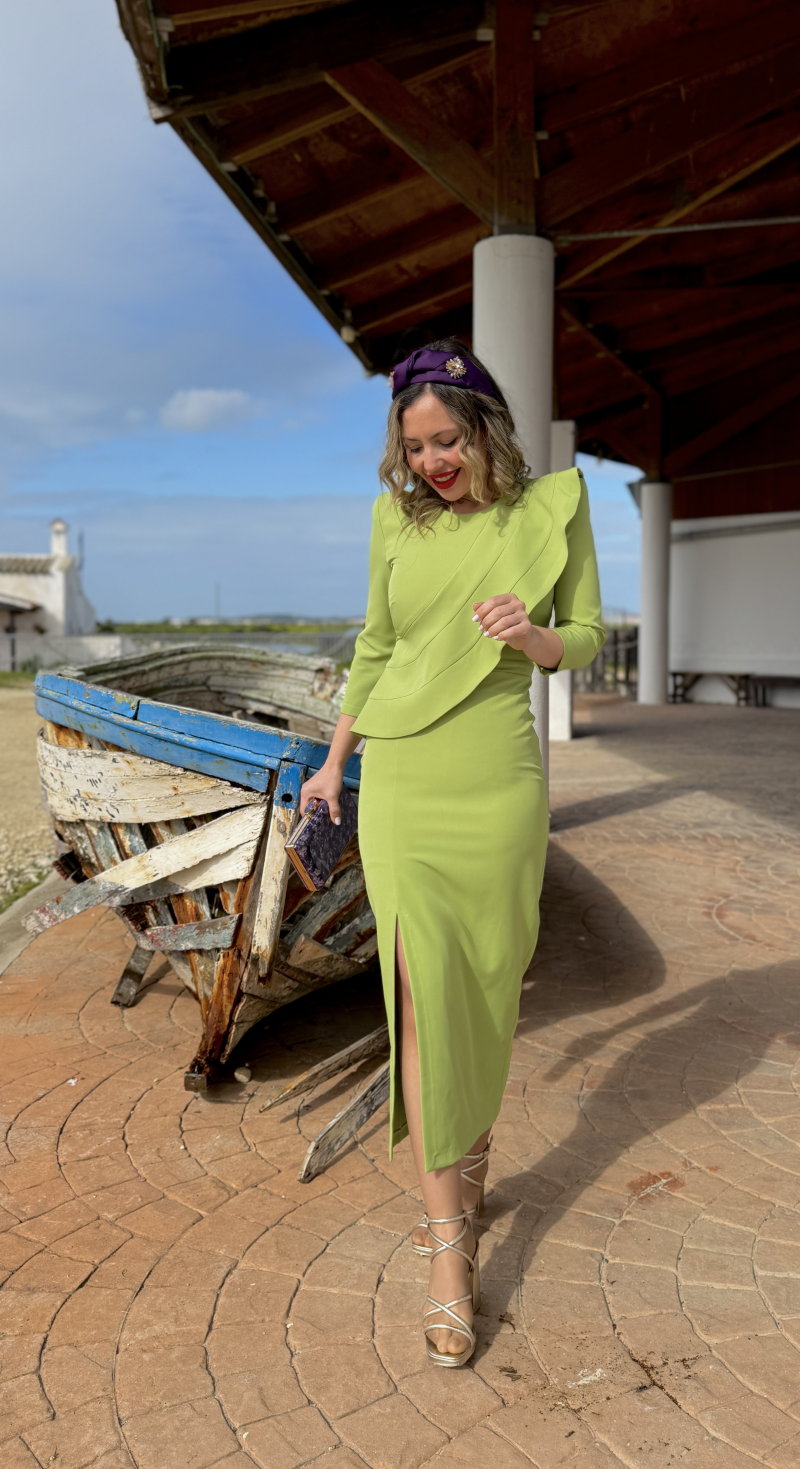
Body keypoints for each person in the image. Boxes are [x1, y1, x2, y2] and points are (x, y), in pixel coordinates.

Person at [299, 338, 605, 1368]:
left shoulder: (550, 512)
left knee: (487, 988)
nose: (431, 461)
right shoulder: (395, 520)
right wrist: (333, 764)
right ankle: (446, 1249)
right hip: (402, 785)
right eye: (415, 445)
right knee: (422, 998)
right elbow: (375, 645)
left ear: (486, 428)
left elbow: (591, 634)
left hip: (499, 783)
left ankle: (466, 1163)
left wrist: (534, 639)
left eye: (447, 440)